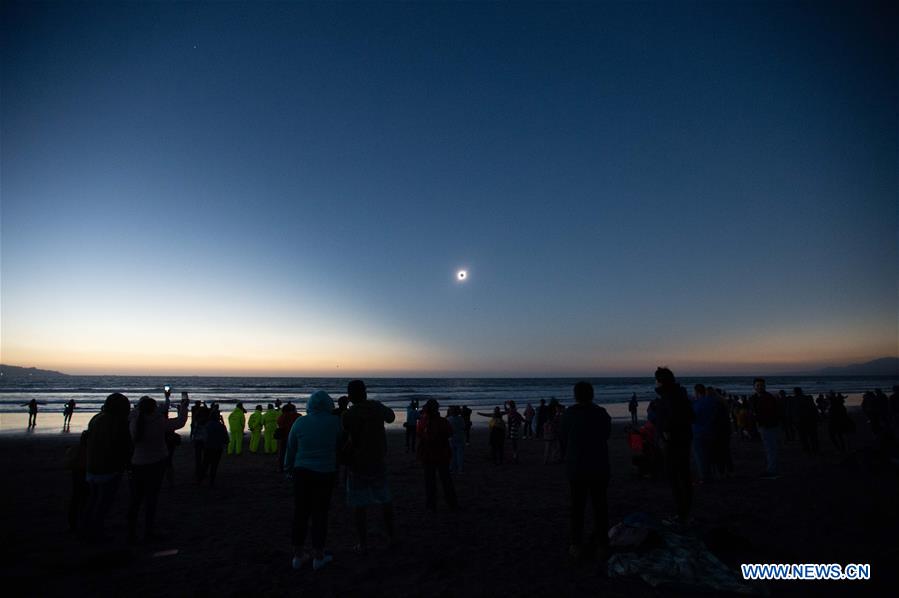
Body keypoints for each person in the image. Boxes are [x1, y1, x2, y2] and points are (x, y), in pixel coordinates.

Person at [285, 391, 341, 570]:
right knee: (320, 514)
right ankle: (318, 556)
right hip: (326, 472)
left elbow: (291, 448)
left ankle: (297, 556)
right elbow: (340, 446)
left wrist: (288, 469)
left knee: (300, 513)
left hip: (302, 472)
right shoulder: (335, 423)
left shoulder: (300, 422)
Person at [341, 380, 396, 553]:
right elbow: (392, 417)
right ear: (365, 392)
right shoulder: (376, 407)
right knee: (385, 501)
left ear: (350, 396)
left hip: (357, 464)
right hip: (378, 461)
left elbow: (346, 433)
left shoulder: (348, 415)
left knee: (360, 506)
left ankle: (363, 543)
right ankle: (391, 538)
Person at [560, 381, 611, 560]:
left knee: (577, 506)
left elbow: (563, 438)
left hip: (577, 467)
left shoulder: (569, 414)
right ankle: (602, 544)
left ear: (575, 395)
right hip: (599, 466)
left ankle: (576, 544)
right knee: (600, 506)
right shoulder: (601, 413)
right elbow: (606, 435)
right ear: (592, 394)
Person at [127, 394, 189, 543]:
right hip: (156, 463)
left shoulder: (134, 420)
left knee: (135, 500)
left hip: (137, 463)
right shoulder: (158, 422)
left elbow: (141, 411)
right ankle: (148, 531)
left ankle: (131, 532)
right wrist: (183, 408)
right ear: (154, 409)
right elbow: (179, 422)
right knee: (151, 499)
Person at [81, 393, 132, 540]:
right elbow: (121, 446)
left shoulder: (96, 418)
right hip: (109, 467)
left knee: (93, 499)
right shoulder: (117, 422)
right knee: (103, 502)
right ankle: (96, 531)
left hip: (92, 465)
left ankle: (85, 528)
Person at [654, 367, 694, 525]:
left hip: (674, 443)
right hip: (683, 441)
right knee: (683, 476)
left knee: (676, 479)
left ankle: (681, 515)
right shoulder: (679, 394)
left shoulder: (670, 396)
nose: (655, 382)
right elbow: (690, 415)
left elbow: (672, 417)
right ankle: (685, 513)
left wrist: (666, 431)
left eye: (656, 379)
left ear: (661, 381)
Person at [416, 399, 458, 512]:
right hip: (442, 454)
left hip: (428, 455)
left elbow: (419, 434)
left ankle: (431, 505)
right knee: (445, 479)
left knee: (430, 480)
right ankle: (452, 503)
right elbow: (450, 432)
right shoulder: (442, 421)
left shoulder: (423, 421)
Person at [751, 378, 780, 479]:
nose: (760, 387)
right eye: (758, 385)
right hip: (762, 426)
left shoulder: (768, 398)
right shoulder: (755, 398)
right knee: (769, 448)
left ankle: (773, 470)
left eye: (761, 385)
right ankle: (772, 469)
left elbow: (772, 413)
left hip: (770, 426)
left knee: (771, 448)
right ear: (754, 386)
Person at [691, 384, 717, 483]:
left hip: (698, 431)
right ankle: (711, 474)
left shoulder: (697, 403)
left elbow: (694, 417)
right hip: (711, 430)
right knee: (709, 453)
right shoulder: (712, 401)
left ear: (696, 392)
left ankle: (704, 476)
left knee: (700, 455)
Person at [200, 406, 229, 486]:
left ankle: (200, 481)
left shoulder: (207, 425)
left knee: (205, 464)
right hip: (217, 448)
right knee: (214, 465)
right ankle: (211, 481)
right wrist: (223, 423)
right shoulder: (221, 426)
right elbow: (226, 440)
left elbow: (204, 437)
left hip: (208, 447)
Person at [793, 387, 819, 455]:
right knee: (812, 435)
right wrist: (817, 417)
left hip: (801, 421)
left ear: (795, 392)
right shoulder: (808, 398)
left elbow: (793, 412)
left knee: (803, 436)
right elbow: (814, 408)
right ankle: (815, 448)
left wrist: (794, 420)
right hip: (810, 419)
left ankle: (807, 449)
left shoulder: (794, 400)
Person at [277, 403, 301, 472]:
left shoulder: (281, 417)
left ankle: (281, 467)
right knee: (295, 453)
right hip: (295, 437)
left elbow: (279, 423)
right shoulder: (297, 416)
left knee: (282, 453)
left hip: (284, 437)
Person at [192, 402, 211, 481]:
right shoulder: (206, 421)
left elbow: (194, 431)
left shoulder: (196, 420)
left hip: (198, 440)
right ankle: (203, 471)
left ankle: (198, 471)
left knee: (198, 457)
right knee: (205, 457)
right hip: (204, 440)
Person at [447, 406, 466, 473]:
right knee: (460, 453)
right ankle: (460, 468)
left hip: (451, 437)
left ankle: (452, 467)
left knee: (452, 454)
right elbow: (463, 427)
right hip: (460, 436)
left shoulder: (448, 419)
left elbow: (447, 429)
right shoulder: (461, 419)